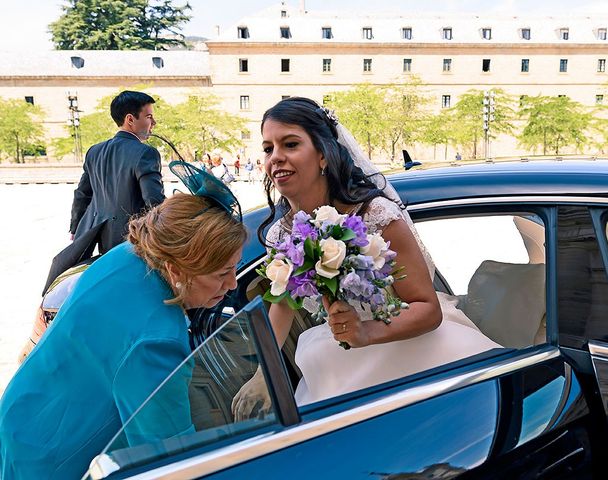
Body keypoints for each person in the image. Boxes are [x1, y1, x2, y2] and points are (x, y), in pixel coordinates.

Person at [232, 97, 500, 413]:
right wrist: (263, 375)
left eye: (290, 144)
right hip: (340, 360)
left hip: (418, 354)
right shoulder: (281, 235)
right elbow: (284, 303)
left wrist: (365, 332)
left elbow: (427, 309)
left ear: (322, 155)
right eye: (268, 149)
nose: (275, 157)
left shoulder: (376, 216)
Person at [0, 165, 246, 480]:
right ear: (175, 270)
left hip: (25, 410)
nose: (233, 285)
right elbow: (171, 455)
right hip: (55, 456)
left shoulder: (129, 255)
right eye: (222, 273)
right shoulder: (157, 342)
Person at [69, 90, 165, 255]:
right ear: (130, 119)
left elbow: (82, 194)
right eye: (149, 117)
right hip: (131, 243)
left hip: (95, 239)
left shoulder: (94, 151)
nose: (153, 122)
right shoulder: (146, 153)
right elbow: (154, 203)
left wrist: (75, 228)